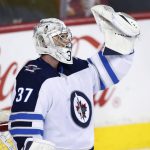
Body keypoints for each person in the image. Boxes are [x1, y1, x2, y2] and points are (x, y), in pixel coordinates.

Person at [8, 5, 140, 150]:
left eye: (66, 36)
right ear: (44, 42)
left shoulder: (78, 67)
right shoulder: (31, 77)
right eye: (59, 38)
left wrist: (123, 41)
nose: (66, 42)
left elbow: (110, 70)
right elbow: (24, 130)